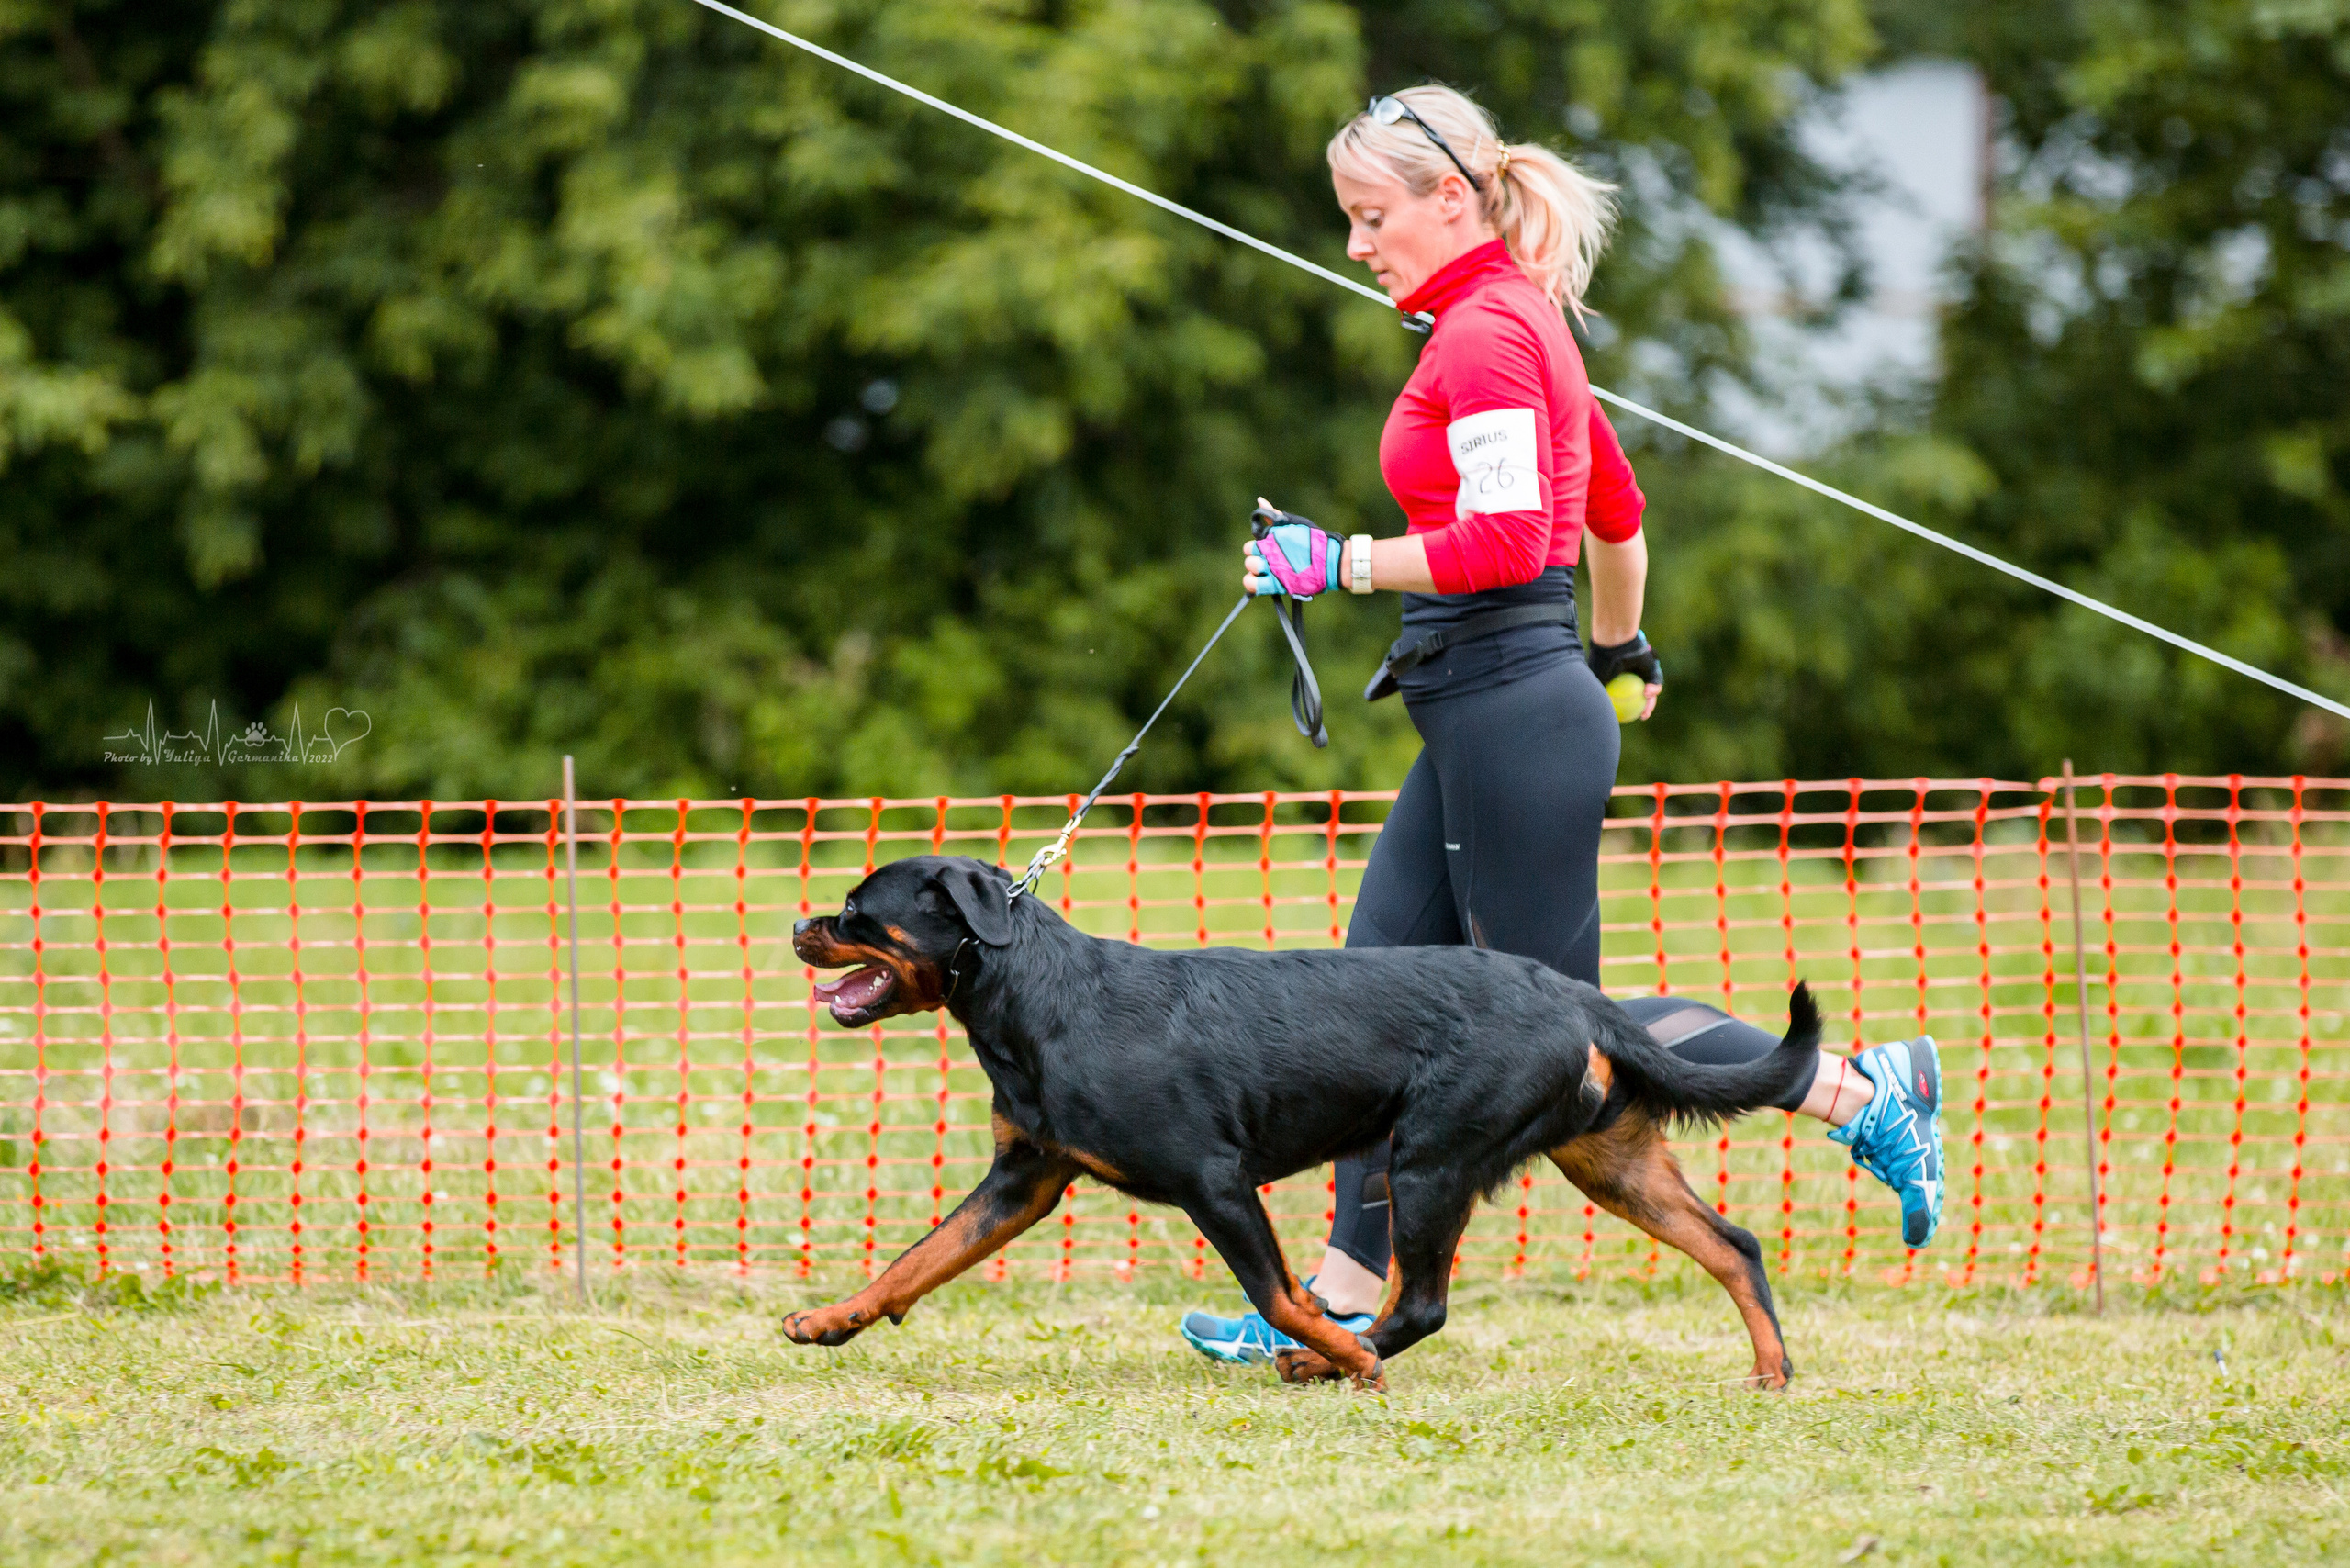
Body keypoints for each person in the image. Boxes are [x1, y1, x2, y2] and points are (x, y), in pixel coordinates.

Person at [1180, 86, 1944, 1366]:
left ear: (1448, 197)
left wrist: (1342, 564)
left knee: (1563, 1027)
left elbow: (1507, 542)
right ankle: (1334, 1302)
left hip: (1510, 716)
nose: (1358, 245)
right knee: (1378, 1008)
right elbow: (1617, 521)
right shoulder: (1513, 319)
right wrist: (1614, 647)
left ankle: (1861, 1090)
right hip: (1496, 711)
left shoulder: (1485, 335)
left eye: (1372, 217)